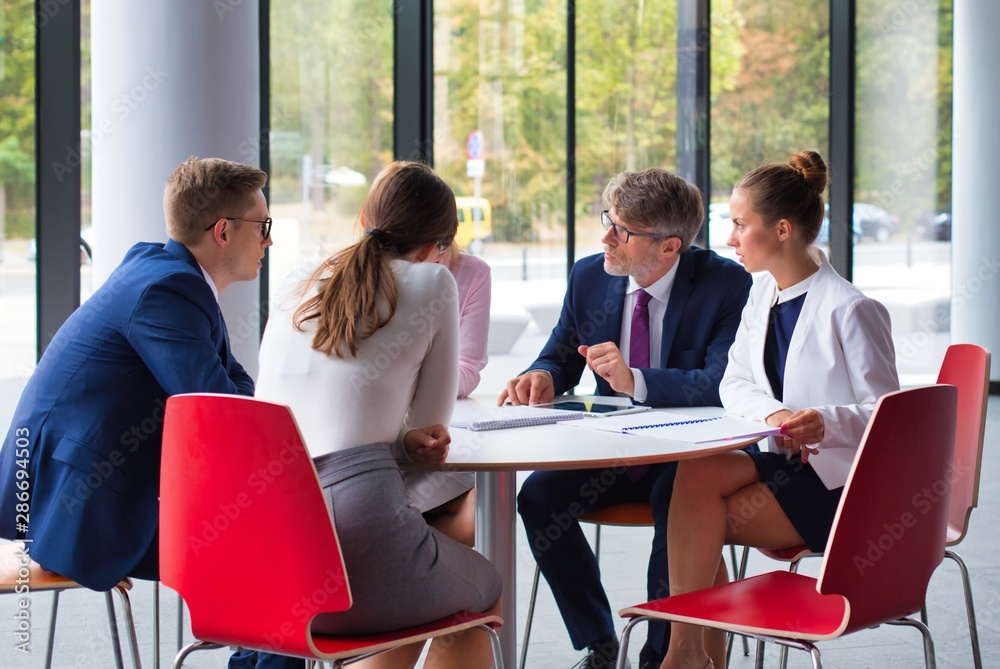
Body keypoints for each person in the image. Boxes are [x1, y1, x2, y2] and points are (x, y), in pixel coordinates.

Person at [250, 161, 501, 669]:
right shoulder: (435, 282)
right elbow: (433, 430)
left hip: (261, 559)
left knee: (427, 571)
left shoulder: (302, 277)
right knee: (483, 600)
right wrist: (405, 437)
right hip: (349, 556)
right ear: (440, 245)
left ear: (364, 216)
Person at [503, 168, 753, 669]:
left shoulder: (725, 283)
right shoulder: (590, 275)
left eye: (622, 231)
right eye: (608, 220)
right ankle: (598, 642)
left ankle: (660, 656)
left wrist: (636, 379)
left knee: (675, 503)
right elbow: (560, 354)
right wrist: (543, 375)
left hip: (689, 454)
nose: (606, 238)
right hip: (612, 450)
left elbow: (722, 383)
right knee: (538, 496)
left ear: (669, 247)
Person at [659, 150, 899, 669]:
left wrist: (826, 420)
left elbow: (891, 416)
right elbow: (735, 381)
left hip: (838, 487)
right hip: (784, 458)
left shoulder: (851, 309)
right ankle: (689, 650)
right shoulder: (762, 291)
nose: (729, 238)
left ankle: (688, 654)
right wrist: (774, 417)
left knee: (697, 521)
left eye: (741, 225)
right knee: (695, 473)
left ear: (783, 229)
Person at [0, 157, 268, 591]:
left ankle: (257, 654)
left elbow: (226, 384)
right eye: (262, 226)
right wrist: (230, 386)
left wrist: (229, 385)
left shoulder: (159, 270)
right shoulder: (168, 290)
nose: (268, 241)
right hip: (74, 508)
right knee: (269, 536)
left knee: (259, 531)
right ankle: (259, 658)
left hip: (73, 485)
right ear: (223, 231)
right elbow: (224, 409)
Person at [403, 242, 492, 547]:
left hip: (423, 442)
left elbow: (469, 367)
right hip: (374, 458)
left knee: (485, 505)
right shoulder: (379, 275)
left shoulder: (469, 274)